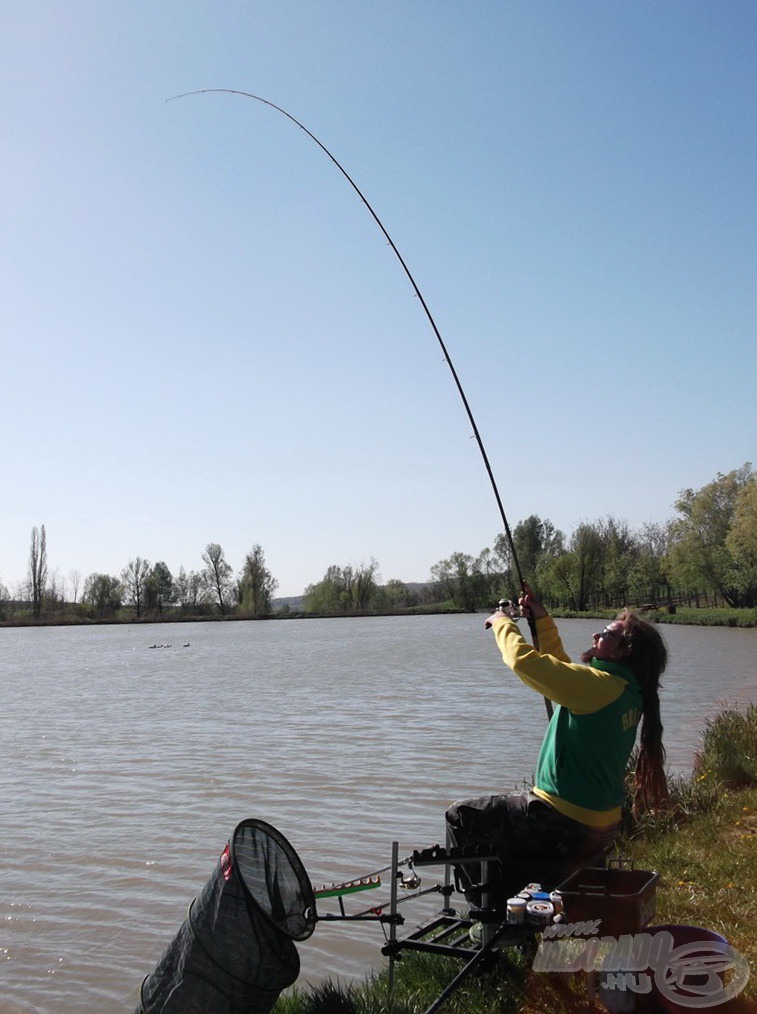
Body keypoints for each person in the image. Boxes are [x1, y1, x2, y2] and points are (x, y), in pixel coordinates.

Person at [445, 583, 668, 904]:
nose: (595, 637)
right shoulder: (625, 689)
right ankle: (519, 899)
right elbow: (560, 669)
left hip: (563, 820)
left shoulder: (599, 686)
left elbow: (525, 663)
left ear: (624, 651)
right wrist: (542, 619)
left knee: (461, 816)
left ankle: (489, 917)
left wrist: (502, 623)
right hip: (600, 823)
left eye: (605, 634)